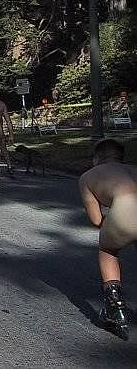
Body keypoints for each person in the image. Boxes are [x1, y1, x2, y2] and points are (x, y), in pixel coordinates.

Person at [78, 139, 135, 334]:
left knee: (108, 250)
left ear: (96, 158)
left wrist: (113, 228)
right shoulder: (133, 169)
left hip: (125, 212)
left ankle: (115, 307)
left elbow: (96, 220)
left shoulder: (88, 176)